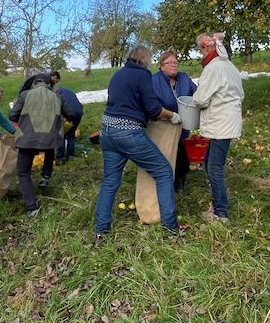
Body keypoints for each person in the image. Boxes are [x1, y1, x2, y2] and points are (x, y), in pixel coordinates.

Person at [93, 45, 185, 241]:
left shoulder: (118, 74)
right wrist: (172, 115)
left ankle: (101, 230)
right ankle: (170, 227)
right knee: (163, 172)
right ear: (145, 60)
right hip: (129, 134)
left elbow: (124, 102)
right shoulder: (143, 75)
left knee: (110, 181)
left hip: (107, 132)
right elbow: (153, 108)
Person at [192, 32, 244, 223]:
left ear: (206, 48)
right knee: (209, 163)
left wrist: (196, 98)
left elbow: (200, 98)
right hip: (227, 122)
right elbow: (241, 94)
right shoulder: (230, 66)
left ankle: (221, 213)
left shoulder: (213, 68)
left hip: (219, 125)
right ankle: (216, 205)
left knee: (213, 168)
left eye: (201, 50)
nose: (201, 54)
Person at [9, 74, 77, 216]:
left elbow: (12, 115)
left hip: (27, 138)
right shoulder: (56, 96)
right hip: (49, 138)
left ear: (34, 84)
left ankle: (32, 207)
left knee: (23, 173)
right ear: (48, 84)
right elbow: (71, 113)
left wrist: (22, 121)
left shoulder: (25, 95)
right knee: (49, 148)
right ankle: (45, 177)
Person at [151, 51, 198, 192]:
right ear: (161, 66)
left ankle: (180, 183)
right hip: (163, 125)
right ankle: (164, 184)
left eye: (175, 62)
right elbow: (151, 104)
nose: (173, 65)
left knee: (182, 154)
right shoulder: (154, 81)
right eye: (169, 63)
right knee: (166, 154)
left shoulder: (184, 78)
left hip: (183, 124)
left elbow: (197, 94)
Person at [50, 70, 83, 164]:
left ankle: (60, 158)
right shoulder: (69, 92)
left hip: (69, 113)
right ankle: (71, 155)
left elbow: (60, 109)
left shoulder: (56, 95)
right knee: (71, 135)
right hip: (78, 113)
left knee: (61, 135)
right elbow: (79, 105)